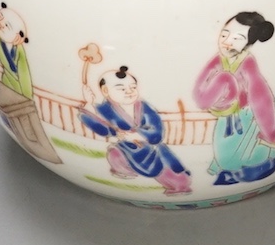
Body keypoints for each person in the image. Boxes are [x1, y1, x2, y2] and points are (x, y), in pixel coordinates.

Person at [192, 12, 275, 185]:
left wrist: (269, 131)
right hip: (226, 117)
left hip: (247, 117)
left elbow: (260, 96)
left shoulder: (247, 63)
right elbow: (200, 93)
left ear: (248, 44)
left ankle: (261, 161)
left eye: (237, 38)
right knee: (224, 157)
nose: (227, 41)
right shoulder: (218, 59)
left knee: (236, 158)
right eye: (224, 34)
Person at [80, 66, 193, 196]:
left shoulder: (144, 108)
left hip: (151, 150)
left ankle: (180, 186)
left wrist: (138, 135)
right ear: (105, 91)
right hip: (126, 148)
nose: (129, 92)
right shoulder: (106, 109)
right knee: (114, 154)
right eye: (122, 89)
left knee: (168, 172)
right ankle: (125, 171)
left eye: (133, 87)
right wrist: (89, 104)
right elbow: (103, 129)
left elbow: (156, 131)